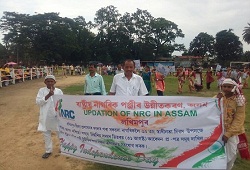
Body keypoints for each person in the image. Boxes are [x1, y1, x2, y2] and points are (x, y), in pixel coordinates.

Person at [217, 78, 246, 169]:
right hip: (218, 131)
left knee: (230, 154)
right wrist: (217, 100)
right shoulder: (220, 97)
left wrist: (228, 134)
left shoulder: (239, 100)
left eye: (229, 87)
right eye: (224, 86)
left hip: (231, 133)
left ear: (234, 88)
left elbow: (239, 119)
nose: (226, 89)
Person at [36, 75, 63, 159]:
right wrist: (48, 95)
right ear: (45, 82)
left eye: (52, 81)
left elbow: (62, 102)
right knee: (46, 133)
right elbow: (38, 102)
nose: (50, 83)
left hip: (56, 116)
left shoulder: (59, 91)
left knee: (59, 132)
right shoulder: (41, 91)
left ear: (55, 82)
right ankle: (48, 150)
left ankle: (63, 148)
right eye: (48, 81)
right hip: (46, 116)